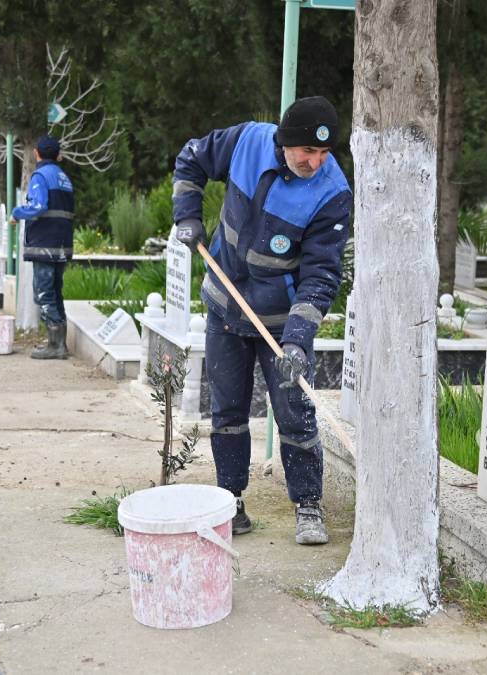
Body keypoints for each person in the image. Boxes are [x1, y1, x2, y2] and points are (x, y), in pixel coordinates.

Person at [171, 96, 352, 545]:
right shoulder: (246, 142)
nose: (316, 161)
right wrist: (187, 215)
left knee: (295, 415)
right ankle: (230, 501)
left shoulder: (332, 193)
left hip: (280, 324)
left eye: (324, 153)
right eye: (308, 151)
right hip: (224, 306)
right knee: (228, 411)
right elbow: (191, 158)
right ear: (285, 142)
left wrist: (297, 340)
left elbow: (321, 275)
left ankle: (308, 504)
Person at [12, 135, 75, 360]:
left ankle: (56, 346)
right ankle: (59, 344)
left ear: (36, 153)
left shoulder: (40, 175)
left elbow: (38, 206)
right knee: (56, 293)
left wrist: (17, 213)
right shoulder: (63, 177)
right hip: (61, 244)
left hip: (44, 244)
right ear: (57, 155)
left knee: (44, 293)